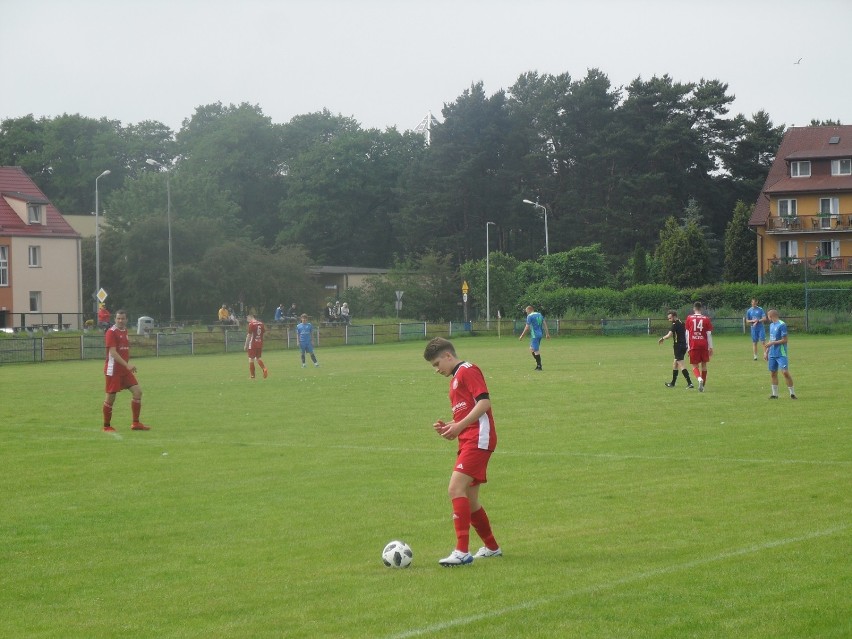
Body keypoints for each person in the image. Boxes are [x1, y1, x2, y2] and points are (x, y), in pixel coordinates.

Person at [423, 337, 501, 566]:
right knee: (471, 498)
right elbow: (466, 414)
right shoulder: (455, 379)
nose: (437, 370)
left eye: (437, 364)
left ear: (448, 356)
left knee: (455, 488)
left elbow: (484, 403)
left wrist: (458, 426)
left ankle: (462, 551)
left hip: (479, 439)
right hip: (468, 439)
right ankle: (492, 547)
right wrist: (451, 426)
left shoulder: (467, 370)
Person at [102, 309, 149, 432]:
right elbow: (112, 352)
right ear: (115, 319)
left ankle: (136, 423)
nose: (120, 320)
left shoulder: (125, 331)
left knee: (138, 392)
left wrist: (126, 365)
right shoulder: (111, 332)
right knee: (110, 398)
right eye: (118, 318)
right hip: (113, 370)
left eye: (123, 318)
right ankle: (106, 426)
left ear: (126, 320)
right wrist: (127, 365)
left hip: (124, 370)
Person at [765, 309, 797, 399]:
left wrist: (772, 343)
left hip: (781, 353)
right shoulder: (771, 325)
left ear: (770, 316)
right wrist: (766, 352)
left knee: (785, 372)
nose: (768, 318)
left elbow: (785, 340)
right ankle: (775, 394)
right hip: (772, 353)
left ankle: (792, 393)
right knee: (773, 373)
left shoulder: (782, 325)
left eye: (768, 316)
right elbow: (771, 339)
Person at [658, 310, 694, 389]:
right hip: (684, 345)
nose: (669, 320)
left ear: (674, 317)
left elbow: (669, 335)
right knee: (675, 363)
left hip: (678, 346)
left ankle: (690, 383)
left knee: (681, 364)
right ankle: (673, 383)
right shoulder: (682, 323)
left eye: (670, 318)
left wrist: (662, 338)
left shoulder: (675, 324)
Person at [685, 301, 714, 392]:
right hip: (704, 344)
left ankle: (699, 379)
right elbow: (708, 334)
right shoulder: (706, 319)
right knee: (704, 365)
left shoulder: (689, 318)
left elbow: (687, 333)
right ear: (701, 309)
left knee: (694, 366)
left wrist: (688, 347)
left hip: (694, 344)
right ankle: (703, 385)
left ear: (694, 308)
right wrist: (711, 347)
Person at [518, 305, 550, 370]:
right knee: (531, 349)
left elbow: (527, 327)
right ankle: (538, 364)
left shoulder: (529, 316)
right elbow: (544, 324)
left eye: (527, 312)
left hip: (534, 335)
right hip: (540, 334)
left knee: (536, 350)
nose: (526, 313)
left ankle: (539, 366)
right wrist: (547, 334)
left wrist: (522, 336)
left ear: (529, 310)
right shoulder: (539, 314)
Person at [244, 313, 269, 379]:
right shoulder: (261, 324)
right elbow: (263, 333)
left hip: (252, 344)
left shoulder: (251, 324)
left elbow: (249, 335)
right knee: (258, 358)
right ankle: (264, 368)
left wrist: (246, 345)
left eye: (247, 318)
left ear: (250, 317)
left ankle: (252, 376)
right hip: (259, 343)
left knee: (251, 359)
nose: (247, 320)